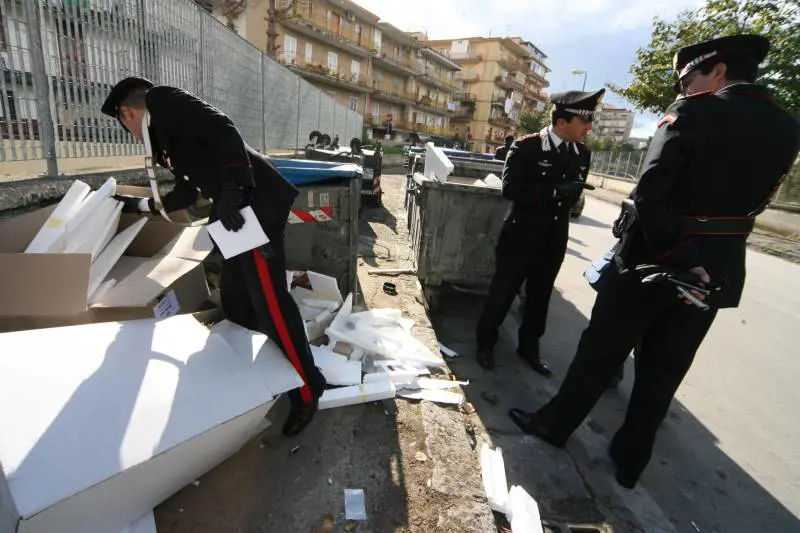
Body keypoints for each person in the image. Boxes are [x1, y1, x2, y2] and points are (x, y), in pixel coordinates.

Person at [508, 34, 800, 488]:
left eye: (688, 77)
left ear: (717, 71)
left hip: (653, 261)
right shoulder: (789, 127)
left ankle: (554, 425)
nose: (683, 88)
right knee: (665, 367)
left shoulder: (693, 112)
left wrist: (679, 253)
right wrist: (705, 258)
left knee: (600, 352)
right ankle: (631, 458)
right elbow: (757, 202)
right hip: (717, 268)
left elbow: (649, 194)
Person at [101, 77, 327, 436]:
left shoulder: (162, 101)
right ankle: (251, 373)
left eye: (124, 123)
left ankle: (307, 386)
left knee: (269, 302)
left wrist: (235, 191)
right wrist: (139, 205)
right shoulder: (166, 137)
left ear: (126, 112)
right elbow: (187, 192)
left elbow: (225, 131)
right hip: (235, 217)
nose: (129, 130)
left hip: (254, 208)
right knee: (236, 298)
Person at [475, 89, 604, 375]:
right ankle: (485, 343)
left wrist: (566, 194)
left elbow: (572, 197)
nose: (588, 128)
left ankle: (529, 348)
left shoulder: (581, 153)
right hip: (521, 235)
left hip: (554, 236)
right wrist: (557, 190)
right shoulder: (527, 147)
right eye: (584, 122)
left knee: (540, 296)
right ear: (562, 122)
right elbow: (511, 190)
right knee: (504, 291)